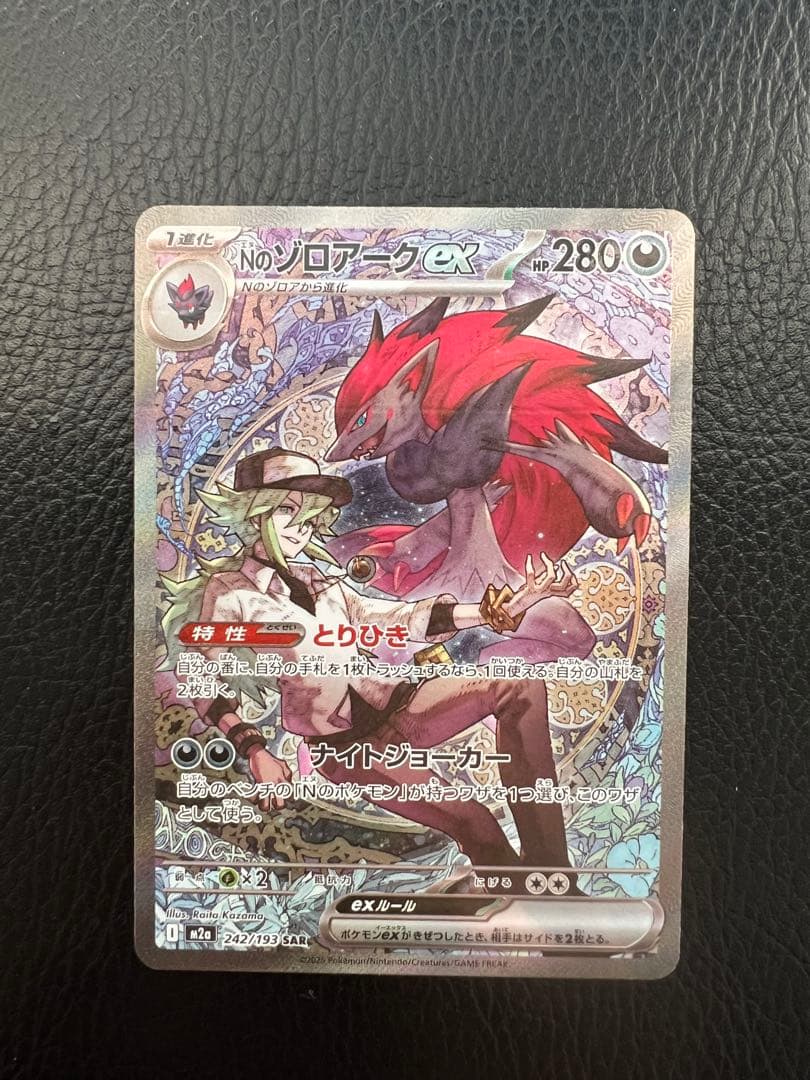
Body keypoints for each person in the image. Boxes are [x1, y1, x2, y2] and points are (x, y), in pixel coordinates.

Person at [179, 447, 579, 876]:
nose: (300, 528)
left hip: (402, 706)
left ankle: (552, 872)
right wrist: (253, 748)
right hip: (347, 748)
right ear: (253, 514)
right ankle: (517, 893)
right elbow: (201, 677)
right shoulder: (231, 593)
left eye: (309, 516)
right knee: (476, 826)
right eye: (286, 511)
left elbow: (394, 617)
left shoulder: (321, 582)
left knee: (518, 686)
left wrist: (494, 611)